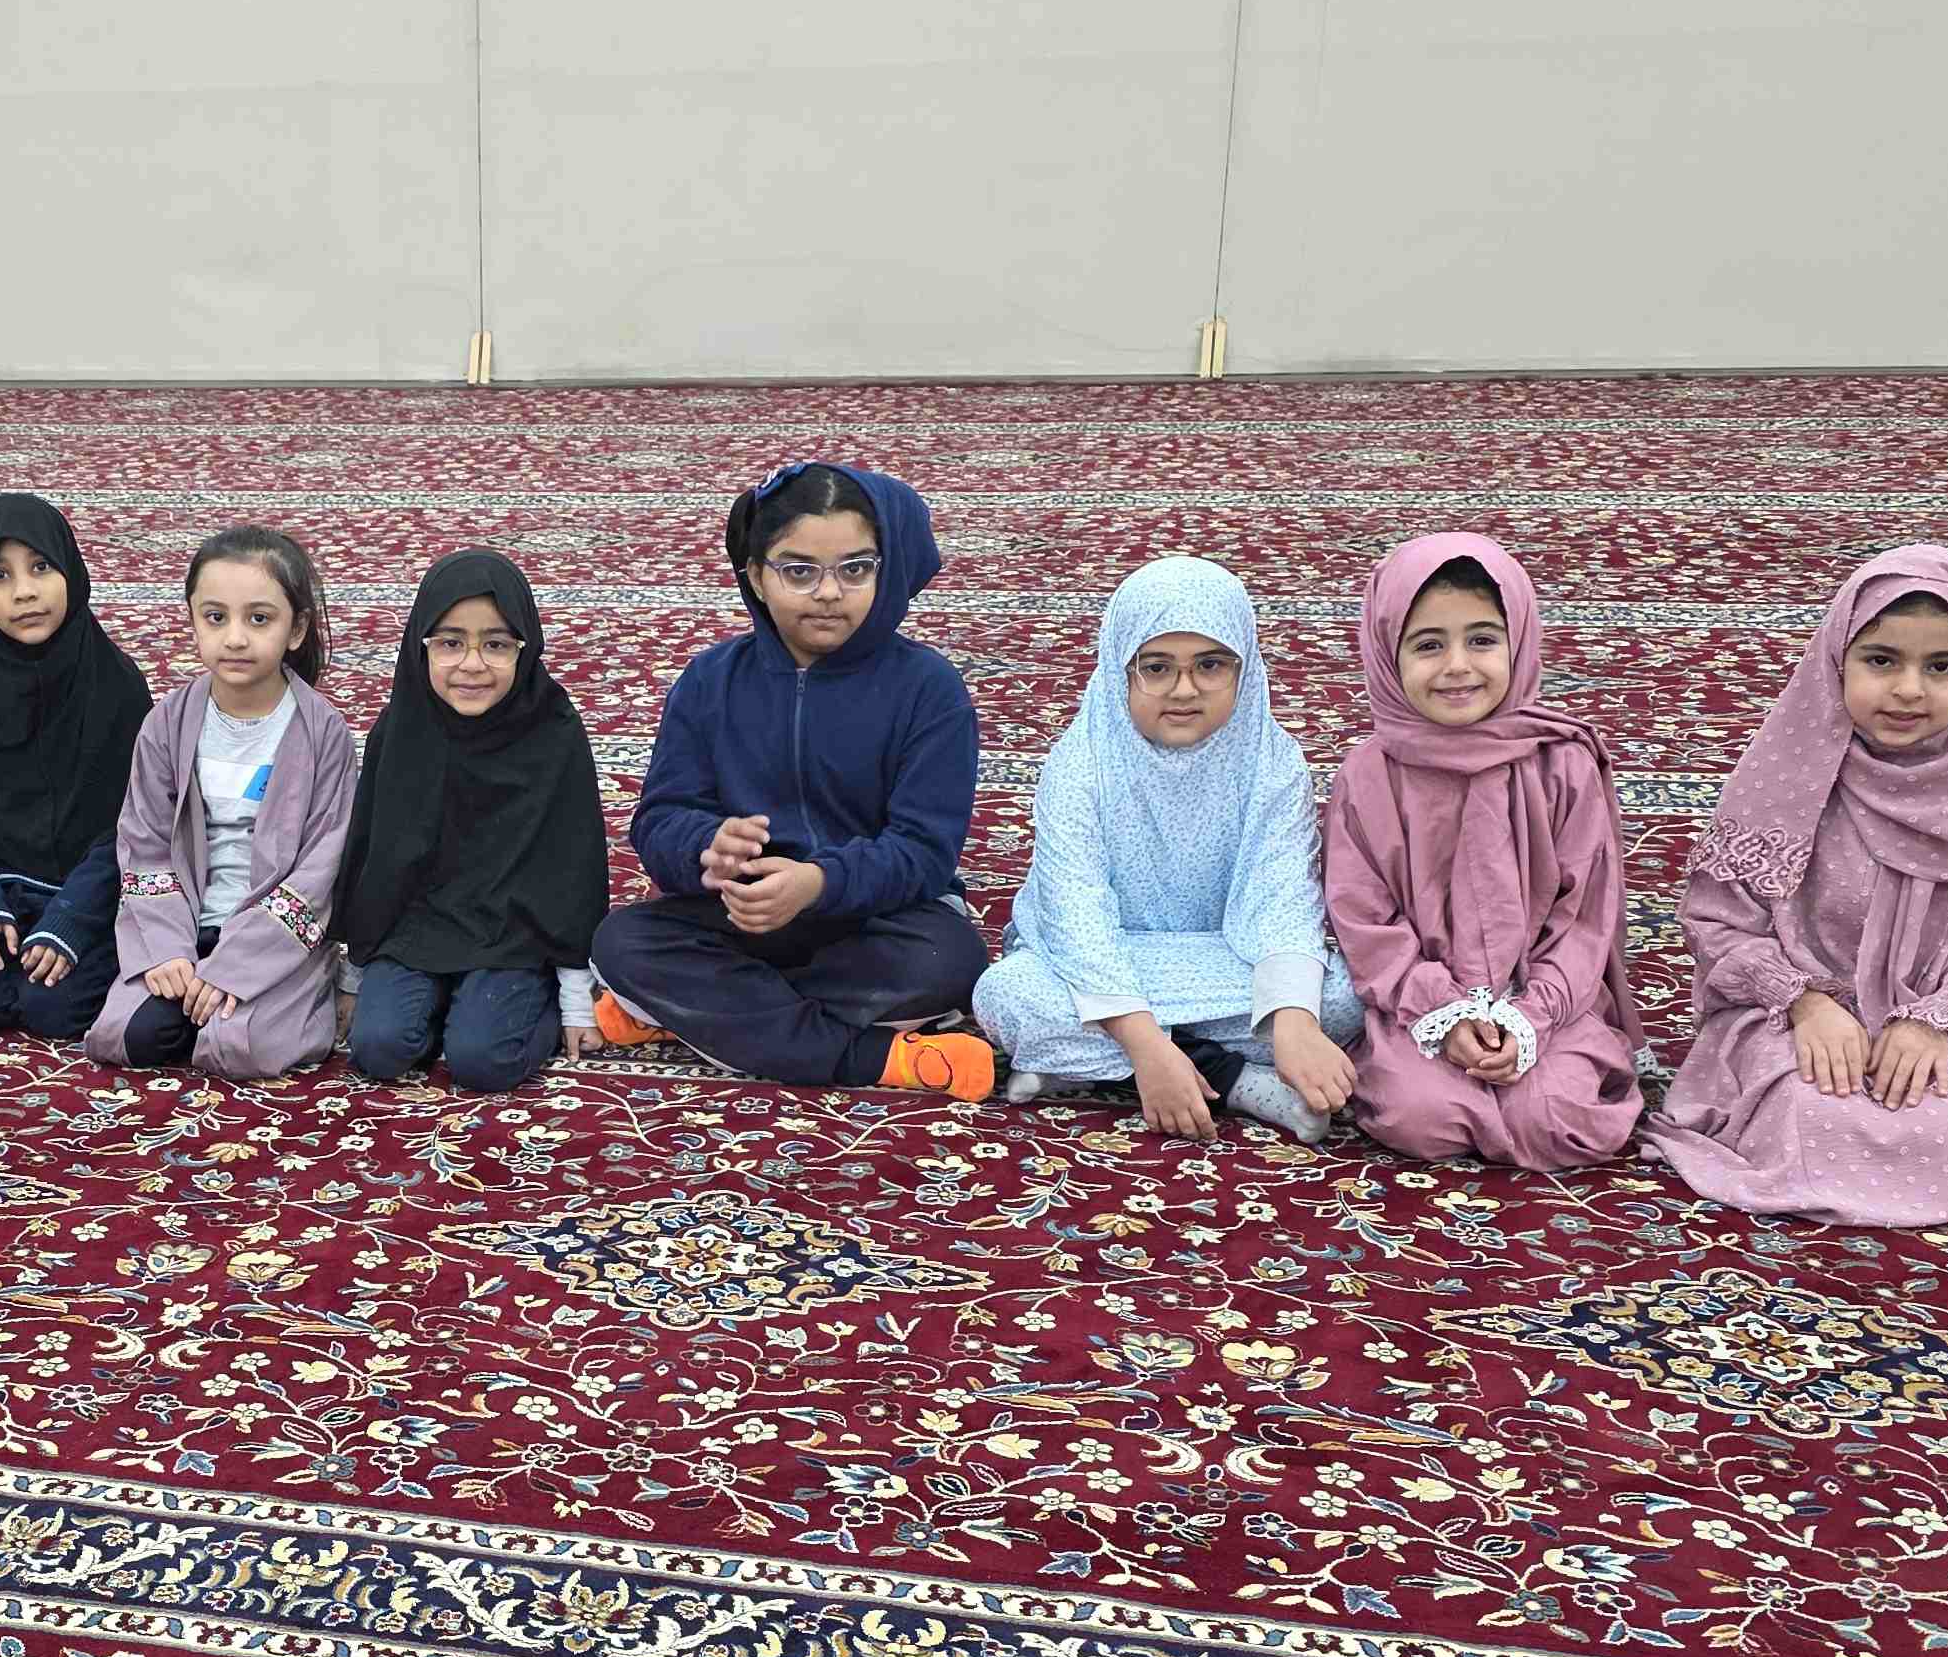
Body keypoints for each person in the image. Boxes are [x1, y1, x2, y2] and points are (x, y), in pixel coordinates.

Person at [1647, 548, 1948, 1224]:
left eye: (1942, 667)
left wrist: (1939, 1020)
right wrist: (1802, 1002)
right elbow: (1719, 921)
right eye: (1881, 661)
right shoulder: (1787, 776)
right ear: (1837, 661)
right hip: (1797, 1020)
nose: (1908, 689)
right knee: (1804, 1111)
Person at [588, 462, 992, 1094]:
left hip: (875, 917)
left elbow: (923, 850)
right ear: (756, 575)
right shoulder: (711, 680)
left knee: (950, 961)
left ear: (885, 570)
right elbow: (661, 818)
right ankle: (872, 1057)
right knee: (622, 941)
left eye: (855, 569)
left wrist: (818, 882)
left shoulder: (929, 689)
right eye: (799, 571)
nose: (828, 592)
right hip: (740, 913)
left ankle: (695, 1016)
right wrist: (706, 848)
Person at [973, 553, 1363, 1141]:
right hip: (1099, 961)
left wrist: (1294, 1021)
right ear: (1120, 669)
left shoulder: (1271, 760)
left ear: (1246, 667)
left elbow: (1282, 897)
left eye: (1210, 665)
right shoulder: (1081, 764)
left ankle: (1082, 1067)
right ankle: (1229, 1076)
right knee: (1010, 996)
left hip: (1221, 958)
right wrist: (1145, 1045)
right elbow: (1076, 919)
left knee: (1344, 998)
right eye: (1156, 668)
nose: (1184, 689)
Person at [1324, 532, 1644, 1168]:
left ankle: (1530, 1079)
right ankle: (1458, 1076)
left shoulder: (1562, 764)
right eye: (1428, 645)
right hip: (1418, 1003)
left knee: (1556, 1117)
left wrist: (1532, 1016)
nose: (1457, 666)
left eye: (1482, 640)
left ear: (1518, 640)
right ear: (1387, 653)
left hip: (1548, 1000)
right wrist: (1441, 1011)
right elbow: (1364, 919)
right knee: (1424, 1117)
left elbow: (1582, 918)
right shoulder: (1368, 775)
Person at [332, 548, 608, 1094]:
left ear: (526, 648)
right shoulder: (402, 728)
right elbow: (374, 853)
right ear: (421, 646)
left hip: (515, 931)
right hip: (417, 927)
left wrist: (576, 1001)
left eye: (497, 644)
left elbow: (573, 869)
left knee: (483, 1061)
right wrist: (355, 974)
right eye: (450, 643)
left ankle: (512, 1006)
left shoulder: (552, 733)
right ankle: (445, 1004)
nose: (473, 664)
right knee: (379, 1047)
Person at [88, 524, 356, 1080]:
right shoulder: (167, 723)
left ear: (296, 628)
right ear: (192, 620)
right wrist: (168, 949)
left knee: (238, 1048)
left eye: (259, 619)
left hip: (270, 938)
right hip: (184, 922)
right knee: (130, 1037)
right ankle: (188, 986)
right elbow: (143, 843)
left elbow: (321, 868)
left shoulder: (323, 732)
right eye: (215, 617)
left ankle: (286, 996)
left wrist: (236, 965)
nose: (235, 638)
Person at [0, 490, 147, 1049]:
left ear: (71, 569)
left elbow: (132, 826)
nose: (24, 591)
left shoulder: (117, 688)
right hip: (0, 891)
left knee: (55, 1007)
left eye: (41, 567)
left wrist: (72, 916)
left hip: (90, 892)